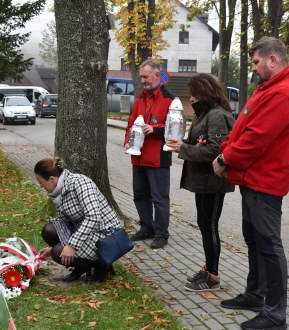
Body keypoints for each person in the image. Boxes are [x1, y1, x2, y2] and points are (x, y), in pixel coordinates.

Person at [212, 37, 289, 330]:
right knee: (254, 240)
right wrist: (226, 150)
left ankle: (276, 314)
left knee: (269, 246)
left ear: (273, 59)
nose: (254, 68)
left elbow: (256, 139)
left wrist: (225, 159)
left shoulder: (283, 93)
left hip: (266, 182)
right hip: (253, 179)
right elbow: (243, 127)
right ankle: (256, 294)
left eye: (256, 62)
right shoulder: (268, 90)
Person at [166, 74, 235, 292]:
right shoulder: (203, 114)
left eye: (194, 93)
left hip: (213, 182)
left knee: (210, 226)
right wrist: (185, 143)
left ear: (203, 92)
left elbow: (216, 150)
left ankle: (213, 276)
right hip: (203, 182)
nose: (191, 97)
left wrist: (184, 149)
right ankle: (208, 267)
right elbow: (200, 142)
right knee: (205, 225)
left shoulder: (216, 115)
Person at [35, 158, 122, 282]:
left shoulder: (80, 183)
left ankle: (100, 264)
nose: (42, 187)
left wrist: (71, 245)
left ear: (52, 179)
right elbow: (66, 220)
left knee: (58, 252)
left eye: (42, 185)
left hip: (104, 234)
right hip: (86, 231)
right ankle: (81, 266)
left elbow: (93, 217)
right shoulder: (59, 190)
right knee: (49, 230)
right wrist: (52, 247)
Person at [124, 59, 175, 249]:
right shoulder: (139, 98)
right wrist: (127, 142)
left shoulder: (170, 99)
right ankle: (147, 227)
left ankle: (162, 233)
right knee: (139, 194)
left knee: (159, 198)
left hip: (158, 157)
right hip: (138, 156)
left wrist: (155, 129)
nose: (143, 80)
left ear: (157, 74)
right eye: (141, 77)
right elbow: (130, 123)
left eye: (145, 76)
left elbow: (176, 130)